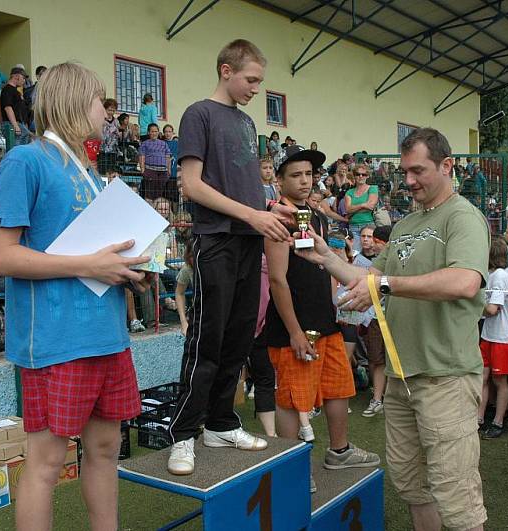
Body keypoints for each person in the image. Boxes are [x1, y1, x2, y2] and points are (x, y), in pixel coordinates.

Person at [295, 127, 489, 531]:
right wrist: (326, 255)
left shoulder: (464, 217)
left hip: (445, 377)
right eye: (405, 172)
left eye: (418, 170)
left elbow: (465, 282)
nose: (410, 180)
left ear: (447, 165)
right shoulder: (403, 226)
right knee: (412, 486)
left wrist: (384, 285)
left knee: (457, 499)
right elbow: (366, 279)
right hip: (402, 379)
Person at [0, 62, 150, 531]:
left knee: (103, 450)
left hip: (108, 336)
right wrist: (87, 264)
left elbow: (98, 255)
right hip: (54, 342)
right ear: (78, 101)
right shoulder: (25, 160)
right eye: (102, 102)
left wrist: (128, 271)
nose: (107, 114)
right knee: (46, 463)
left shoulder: (93, 173)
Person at [166, 39, 294, 476]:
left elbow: (245, 188)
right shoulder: (198, 114)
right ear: (226, 70)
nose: (257, 89)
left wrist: (270, 210)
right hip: (215, 240)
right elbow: (193, 186)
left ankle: (221, 423)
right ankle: (184, 433)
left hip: (248, 241)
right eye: (251, 79)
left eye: (260, 81)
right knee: (207, 338)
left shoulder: (246, 124)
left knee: (240, 339)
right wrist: (255, 216)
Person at [265, 145, 380, 493]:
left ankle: (339, 451)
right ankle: (292, 467)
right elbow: (277, 279)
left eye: (309, 174)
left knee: (338, 388)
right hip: (293, 328)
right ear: (280, 180)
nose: (304, 180)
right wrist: (295, 332)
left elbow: (317, 262)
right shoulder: (275, 215)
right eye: (296, 175)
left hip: (325, 320)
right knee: (292, 398)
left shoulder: (311, 214)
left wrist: (339, 303)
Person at [477, 237, 508, 439]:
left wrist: (474, 298)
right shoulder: (494, 275)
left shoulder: (499, 276)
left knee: (499, 380)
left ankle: (498, 421)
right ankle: (479, 418)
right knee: (483, 377)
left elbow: (492, 309)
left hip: (501, 336)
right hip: (489, 334)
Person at [356, 225, 391, 418]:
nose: (370, 243)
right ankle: (377, 398)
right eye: (364, 237)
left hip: (394, 318)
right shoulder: (364, 262)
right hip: (375, 319)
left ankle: (390, 397)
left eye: (375, 240)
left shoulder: (397, 261)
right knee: (376, 360)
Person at [344, 164, 378, 252]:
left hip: (368, 225)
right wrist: (363, 205)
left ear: (367, 176)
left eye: (364, 174)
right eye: (358, 174)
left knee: (371, 252)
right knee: (356, 253)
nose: (360, 176)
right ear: (354, 176)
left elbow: (371, 206)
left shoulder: (373, 188)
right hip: (353, 227)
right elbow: (347, 209)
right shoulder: (349, 192)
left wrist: (353, 209)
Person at [138, 123, 171, 200]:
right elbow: (141, 156)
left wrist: (168, 170)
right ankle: (148, 210)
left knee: (160, 193)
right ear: (148, 132)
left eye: (156, 131)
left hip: (163, 171)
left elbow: (168, 157)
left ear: (158, 132)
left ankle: (157, 210)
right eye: (152, 131)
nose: (154, 133)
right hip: (150, 170)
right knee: (149, 193)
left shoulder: (164, 144)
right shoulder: (145, 143)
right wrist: (143, 170)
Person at [0, 67, 32, 146]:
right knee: (16, 148)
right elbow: (8, 107)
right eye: (23, 78)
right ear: (16, 76)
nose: (24, 81)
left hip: (19, 124)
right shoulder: (8, 89)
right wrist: (15, 125)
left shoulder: (15, 90)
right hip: (12, 124)